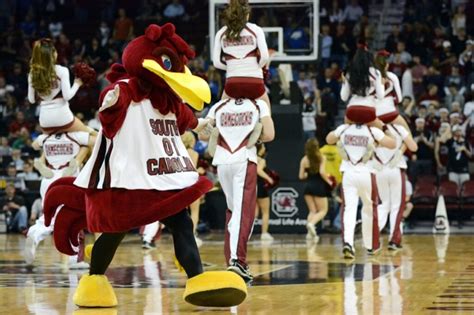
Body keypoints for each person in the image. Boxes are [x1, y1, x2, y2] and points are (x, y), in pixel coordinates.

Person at [205, 97, 274, 282]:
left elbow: (203, 134)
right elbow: (270, 134)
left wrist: (220, 132)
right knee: (244, 213)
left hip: (222, 161)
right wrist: (254, 134)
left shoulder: (219, 106)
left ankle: (233, 259)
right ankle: (237, 261)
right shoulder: (258, 104)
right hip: (244, 158)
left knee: (233, 211)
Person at [23, 131, 94, 268]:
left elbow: (34, 145)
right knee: (67, 218)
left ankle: (74, 259)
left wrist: (44, 154)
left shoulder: (47, 137)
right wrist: (87, 131)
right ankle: (35, 234)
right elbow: (97, 140)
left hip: (48, 178)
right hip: (67, 177)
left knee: (52, 216)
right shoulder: (76, 135)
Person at [326, 123, 395, 259]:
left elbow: (328, 139)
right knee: (369, 209)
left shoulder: (344, 128)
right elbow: (393, 144)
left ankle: (348, 243)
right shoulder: (372, 130)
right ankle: (370, 245)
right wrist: (385, 128)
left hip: (348, 173)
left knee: (349, 209)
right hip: (367, 173)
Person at [27, 39, 95, 135]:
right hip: (62, 116)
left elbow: (31, 100)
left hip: (45, 120)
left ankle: (40, 143)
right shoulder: (62, 70)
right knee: (92, 135)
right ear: (52, 55)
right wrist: (77, 84)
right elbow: (67, 97)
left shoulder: (32, 74)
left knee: (51, 145)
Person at [212, 0, 270, 107]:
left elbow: (216, 63)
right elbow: (265, 57)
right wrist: (257, 67)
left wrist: (232, 67)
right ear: (246, 15)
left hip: (232, 83)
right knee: (266, 110)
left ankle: (210, 122)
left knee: (219, 109)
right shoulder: (255, 29)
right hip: (255, 81)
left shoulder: (221, 33)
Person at [373, 123, 418, 251]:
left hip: (379, 169)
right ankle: (394, 240)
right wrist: (401, 148)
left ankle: (373, 236)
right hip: (395, 168)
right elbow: (414, 147)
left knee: (383, 204)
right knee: (397, 207)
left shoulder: (373, 128)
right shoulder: (399, 127)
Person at [340, 45, 385, 126]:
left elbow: (344, 97)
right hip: (369, 108)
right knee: (382, 131)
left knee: (345, 133)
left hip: (352, 109)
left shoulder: (349, 73)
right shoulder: (376, 72)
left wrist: (343, 83)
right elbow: (381, 96)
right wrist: (382, 84)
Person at [299, 138, 333, 242]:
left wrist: (307, 174)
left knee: (312, 211)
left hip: (308, 186)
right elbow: (322, 172)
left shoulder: (304, 159)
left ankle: (309, 235)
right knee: (323, 210)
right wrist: (329, 181)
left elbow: (301, 176)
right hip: (318, 186)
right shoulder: (321, 157)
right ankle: (311, 224)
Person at [373, 50, 411, 132]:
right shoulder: (392, 77)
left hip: (374, 115)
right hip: (390, 112)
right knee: (408, 135)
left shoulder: (371, 77)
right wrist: (390, 99)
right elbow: (399, 99)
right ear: (386, 65)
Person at [181, 131, 203, 246]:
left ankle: (183, 236)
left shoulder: (177, 152)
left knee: (182, 213)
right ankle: (192, 235)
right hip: (192, 182)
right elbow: (192, 169)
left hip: (179, 183)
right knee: (194, 211)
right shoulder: (194, 153)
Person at [255, 143, 274, 241]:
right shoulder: (261, 160)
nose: (264, 149)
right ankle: (264, 233)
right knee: (265, 212)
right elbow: (258, 170)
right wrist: (268, 178)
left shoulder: (249, 159)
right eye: (263, 147)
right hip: (261, 186)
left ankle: (245, 231)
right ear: (260, 149)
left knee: (254, 212)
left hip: (251, 186)